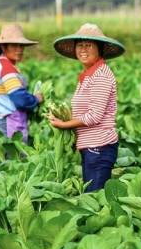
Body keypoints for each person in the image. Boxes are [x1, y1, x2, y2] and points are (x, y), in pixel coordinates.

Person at [49, 23, 125, 192]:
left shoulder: (102, 75)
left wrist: (63, 125)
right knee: (91, 198)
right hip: (91, 148)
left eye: (88, 45)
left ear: (100, 49)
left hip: (99, 147)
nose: (83, 49)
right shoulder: (89, 75)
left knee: (94, 200)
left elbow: (94, 116)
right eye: (80, 45)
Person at [0, 24, 43, 142]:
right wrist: (36, 99)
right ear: (3, 46)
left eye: (21, 46)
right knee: (14, 158)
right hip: (5, 123)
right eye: (14, 45)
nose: (19, 49)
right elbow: (20, 99)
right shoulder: (7, 68)